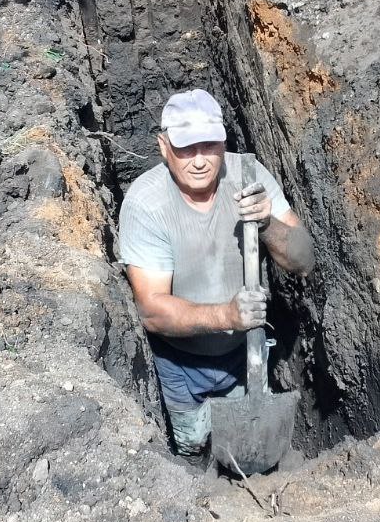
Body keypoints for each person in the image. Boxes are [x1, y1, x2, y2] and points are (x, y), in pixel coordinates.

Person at [118, 89, 316, 457]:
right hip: (179, 362)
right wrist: (226, 315)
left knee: (242, 450)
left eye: (209, 146)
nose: (199, 161)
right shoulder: (147, 204)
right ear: (164, 147)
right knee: (192, 450)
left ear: (224, 141)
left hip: (244, 355)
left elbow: (304, 259)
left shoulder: (249, 177)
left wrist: (267, 223)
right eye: (186, 148)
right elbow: (152, 310)